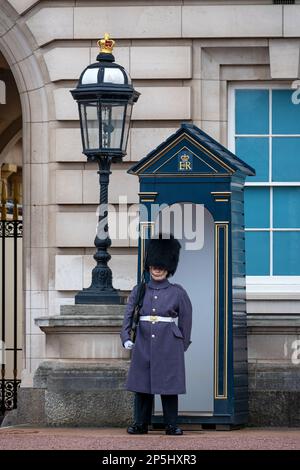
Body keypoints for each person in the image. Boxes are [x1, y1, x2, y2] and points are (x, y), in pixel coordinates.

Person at [120, 233, 193, 435]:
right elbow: (128, 315)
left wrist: (182, 343)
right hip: (143, 342)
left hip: (169, 344)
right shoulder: (140, 289)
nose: (157, 269)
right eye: (154, 265)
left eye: (161, 266)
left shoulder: (177, 292)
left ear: (168, 268)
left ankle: (171, 424)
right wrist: (126, 338)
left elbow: (186, 320)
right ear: (149, 266)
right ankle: (141, 423)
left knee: (169, 386)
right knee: (142, 386)